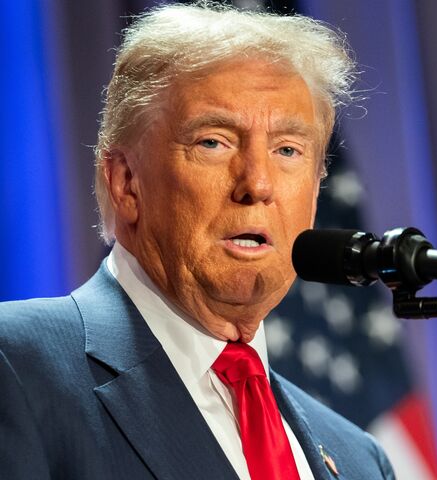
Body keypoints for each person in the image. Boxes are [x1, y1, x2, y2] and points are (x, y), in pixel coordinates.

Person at [0, 3, 395, 479]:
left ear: (314, 193)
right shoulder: (17, 366)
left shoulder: (359, 459)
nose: (258, 184)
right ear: (126, 182)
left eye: (287, 150)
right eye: (214, 142)